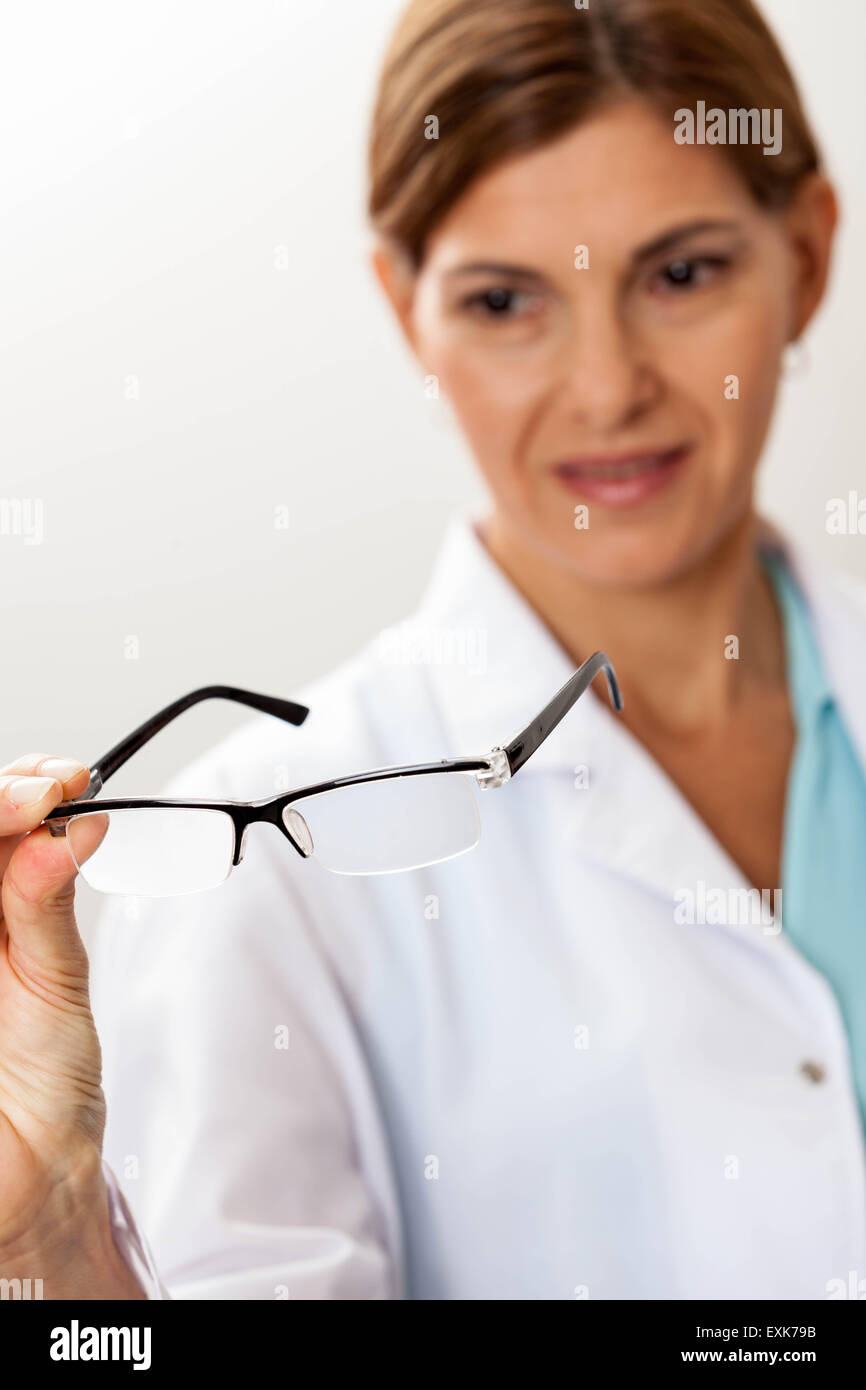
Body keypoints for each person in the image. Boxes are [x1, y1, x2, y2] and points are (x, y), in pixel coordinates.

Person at [2, 0, 863, 1300]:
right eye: (506, 298)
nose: (606, 384)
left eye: (679, 273)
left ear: (803, 256)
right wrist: (58, 1235)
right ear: (407, 309)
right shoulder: (262, 853)